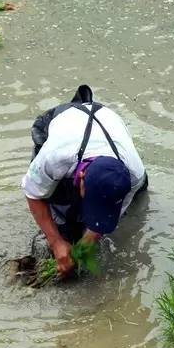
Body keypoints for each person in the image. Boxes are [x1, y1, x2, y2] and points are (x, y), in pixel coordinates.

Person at [22, 85, 147, 277]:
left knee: (141, 194)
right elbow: (32, 193)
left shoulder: (134, 174)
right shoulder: (54, 156)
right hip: (62, 120)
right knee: (61, 215)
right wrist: (55, 242)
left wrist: (86, 242)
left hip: (106, 121)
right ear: (81, 179)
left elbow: (108, 212)